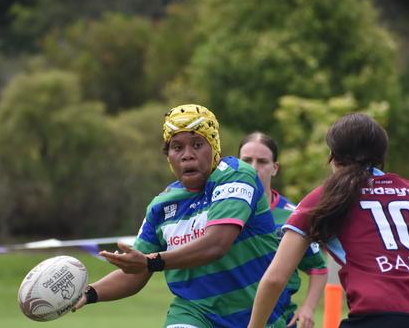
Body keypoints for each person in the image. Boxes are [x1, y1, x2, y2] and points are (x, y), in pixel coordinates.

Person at [248, 113, 409, 328]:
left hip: (378, 318)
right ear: (381, 156)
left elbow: (275, 278)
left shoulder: (324, 198)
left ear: (333, 157)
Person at [73, 104, 292, 327]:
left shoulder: (235, 175)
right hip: (194, 313)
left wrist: (152, 262)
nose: (187, 155)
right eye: (177, 147)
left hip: (258, 316)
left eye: (198, 145)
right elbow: (136, 272)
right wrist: (89, 293)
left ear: (214, 147)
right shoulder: (161, 205)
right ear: (168, 156)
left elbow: (216, 244)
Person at [239, 132, 327, 328]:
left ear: (275, 168)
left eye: (262, 161)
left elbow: (318, 268)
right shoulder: (223, 210)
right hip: (228, 320)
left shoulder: (295, 216)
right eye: (246, 160)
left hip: (279, 321)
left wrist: (308, 307)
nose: (254, 168)